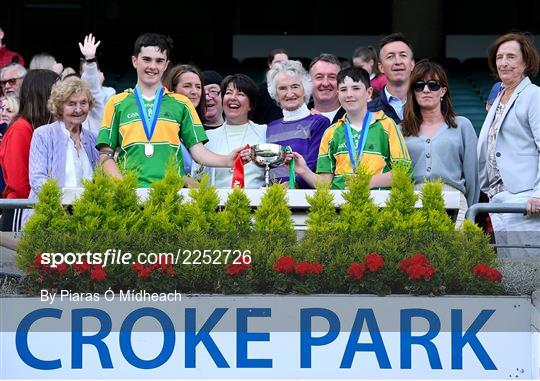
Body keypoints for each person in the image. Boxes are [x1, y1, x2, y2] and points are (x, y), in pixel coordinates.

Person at [96, 33, 245, 188]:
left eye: (159, 61)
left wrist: (227, 160)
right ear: (135, 61)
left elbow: (198, 152)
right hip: (130, 198)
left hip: (171, 197)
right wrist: (123, 188)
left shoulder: (181, 103)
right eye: (147, 59)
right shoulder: (116, 103)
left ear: (166, 65)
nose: (152, 67)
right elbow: (106, 155)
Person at [290, 66, 410, 190]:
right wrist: (303, 170)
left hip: (377, 205)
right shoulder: (331, 132)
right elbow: (325, 184)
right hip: (340, 205)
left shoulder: (387, 125)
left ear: (369, 93)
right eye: (343, 89)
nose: (349, 95)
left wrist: (368, 182)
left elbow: (403, 172)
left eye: (356, 88)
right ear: (338, 94)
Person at [477, 32, 540, 258]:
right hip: (498, 196)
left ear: (526, 62)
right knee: (509, 269)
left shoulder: (534, 95)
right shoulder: (500, 96)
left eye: (511, 57)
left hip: (525, 198)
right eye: (499, 57)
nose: (504, 62)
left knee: (529, 269)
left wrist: (539, 194)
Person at [401, 61, 479, 227]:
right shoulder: (402, 129)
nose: (426, 90)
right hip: (413, 199)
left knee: (454, 252)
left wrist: (468, 209)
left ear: (443, 90)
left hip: (454, 199)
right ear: (413, 92)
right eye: (419, 85)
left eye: (433, 85)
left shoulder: (462, 125)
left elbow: (473, 177)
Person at [0, 69, 59, 231]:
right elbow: (20, 183)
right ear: (44, 94)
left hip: (32, 207)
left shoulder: (35, 127)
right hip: (21, 209)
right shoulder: (21, 128)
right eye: (57, 92)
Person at [28, 78, 99, 198]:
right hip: (51, 210)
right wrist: (61, 203)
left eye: (83, 103)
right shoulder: (43, 135)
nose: (78, 109)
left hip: (86, 213)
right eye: (71, 104)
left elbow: (99, 179)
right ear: (60, 107)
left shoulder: (93, 139)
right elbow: (37, 179)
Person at [266, 59, 329, 188]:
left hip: (303, 198)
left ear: (305, 89)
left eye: (295, 86)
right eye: (282, 88)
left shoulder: (319, 122)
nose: (290, 93)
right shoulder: (270, 127)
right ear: (276, 95)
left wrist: (294, 184)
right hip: (273, 198)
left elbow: (314, 164)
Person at [201, 74, 266, 188]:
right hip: (216, 203)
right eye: (228, 93)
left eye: (240, 94)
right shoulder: (207, 137)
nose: (232, 97)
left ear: (250, 105)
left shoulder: (264, 132)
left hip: (256, 202)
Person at [162, 63, 207, 183]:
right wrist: (185, 180)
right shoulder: (160, 125)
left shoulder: (201, 127)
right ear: (172, 89)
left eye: (198, 87)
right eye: (187, 86)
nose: (194, 92)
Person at [368, 33, 415, 124]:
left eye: (403, 55)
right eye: (390, 57)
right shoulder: (368, 111)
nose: (398, 62)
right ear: (381, 67)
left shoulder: (426, 105)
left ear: (412, 64)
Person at [251, 48, 288, 125]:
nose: (282, 65)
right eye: (278, 62)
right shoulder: (259, 90)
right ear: (270, 64)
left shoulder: (295, 89)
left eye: (285, 62)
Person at [308, 53, 345, 124]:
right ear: (309, 81)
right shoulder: (300, 117)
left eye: (332, 77)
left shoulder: (353, 116)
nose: (325, 83)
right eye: (319, 77)